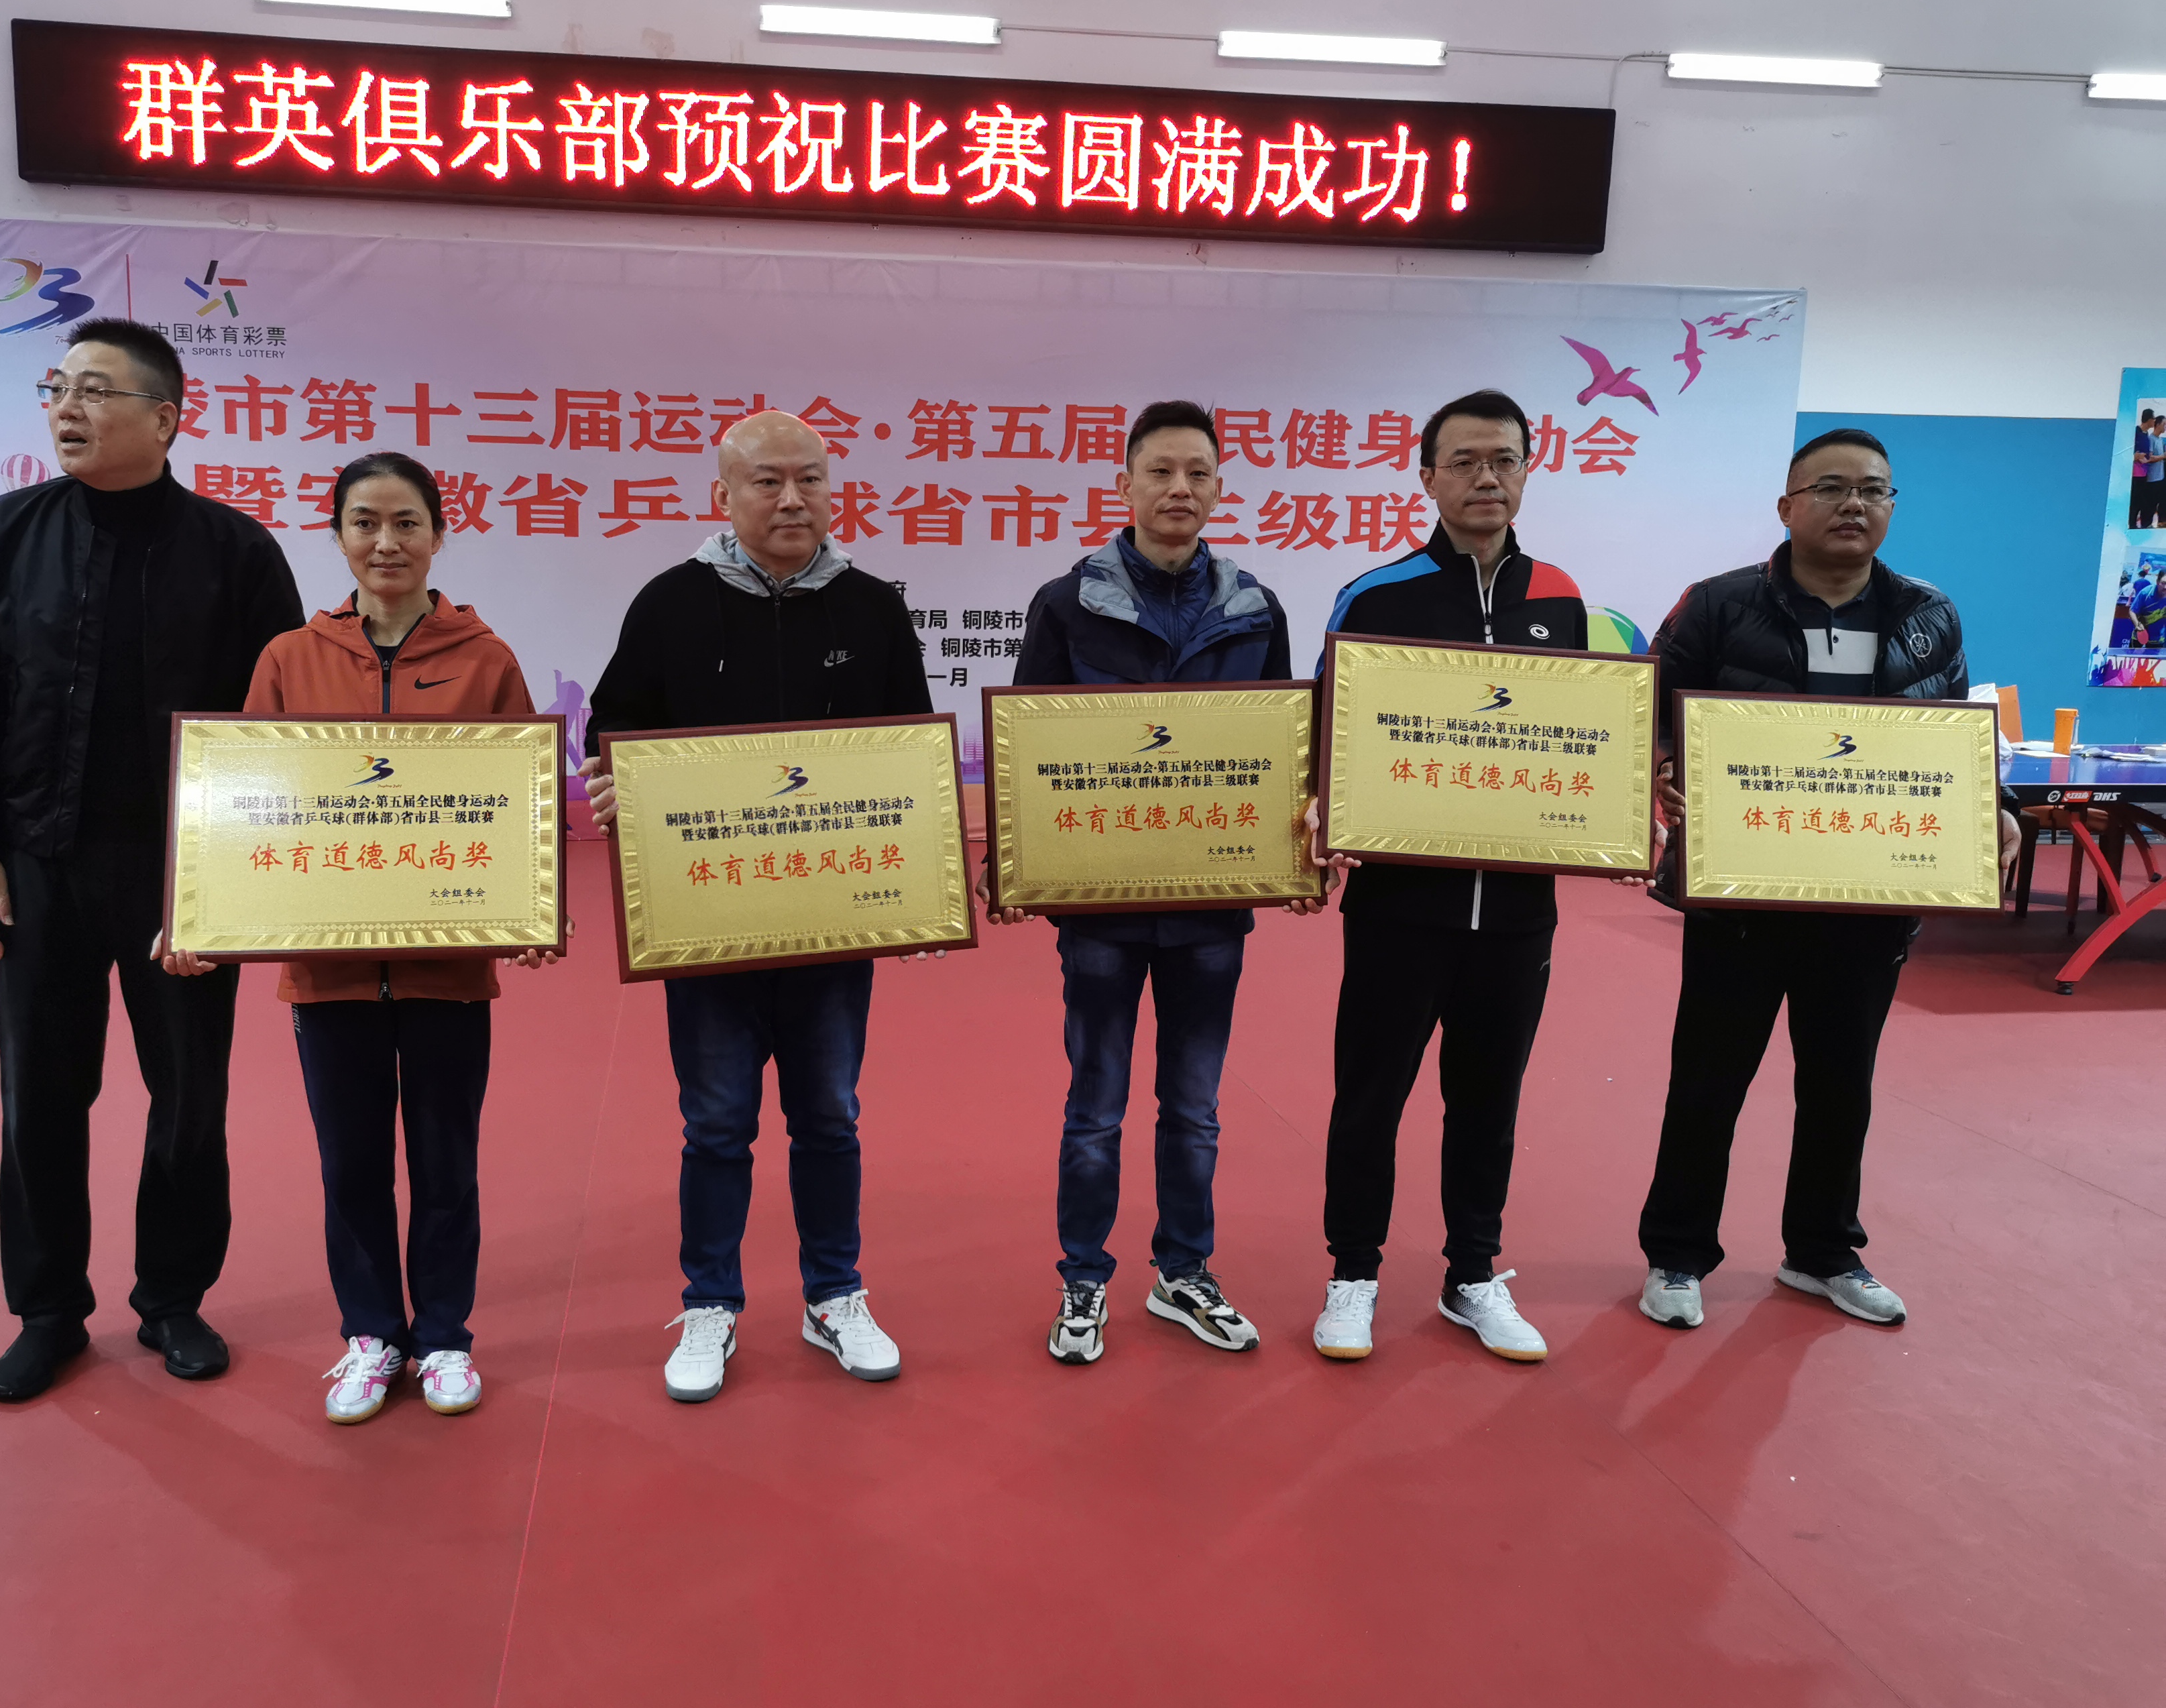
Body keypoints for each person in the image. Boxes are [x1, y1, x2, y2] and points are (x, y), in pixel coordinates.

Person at [0, 319, 302, 1402]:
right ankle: (48, 1312)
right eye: (58, 387)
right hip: (38, 866)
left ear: (166, 418)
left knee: (188, 1094)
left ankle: (173, 1298)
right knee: (41, 1094)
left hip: (184, 876)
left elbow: (275, 727)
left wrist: (239, 878)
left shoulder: (236, 553)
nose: (66, 408)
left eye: (94, 390)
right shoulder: (9, 533)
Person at [162, 451, 565, 1424]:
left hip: (449, 972)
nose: (386, 543)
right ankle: (373, 1336)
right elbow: (246, 803)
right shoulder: (288, 659)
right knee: (350, 1166)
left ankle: (446, 1337)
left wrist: (538, 909)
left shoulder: (487, 659)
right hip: (327, 972)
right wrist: (200, 912)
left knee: (446, 1164)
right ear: (338, 534)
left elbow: (523, 807)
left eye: (406, 523)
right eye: (365, 523)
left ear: (439, 534)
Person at [579, 411, 934, 1404]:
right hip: (710, 920)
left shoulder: (871, 607)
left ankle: (835, 1294)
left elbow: (910, 746)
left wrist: (922, 882)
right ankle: (711, 1303)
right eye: (766, 481)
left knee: (829, 1117)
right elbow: (616, 724)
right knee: (716, 1124)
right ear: (723, 496)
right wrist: (616, 779)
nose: (791, 500)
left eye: (809, 479)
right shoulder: (670, 602)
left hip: (833, 920)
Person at [1634, 427, 2020, 1330]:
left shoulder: (1929, 614)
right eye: (1832, 487)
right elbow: (1645, 709)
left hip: (1869, 891)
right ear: (1787, 507)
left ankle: (1821, 1251)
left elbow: (1950, 739)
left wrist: (1992, 806)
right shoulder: (1719, 605)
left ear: (1891, 507)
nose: (1855, 504)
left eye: (1874, 490)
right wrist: (1659, 768)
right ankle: (1677, 1254)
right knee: (1709, 1080)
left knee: (1843, 1081)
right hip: (1741, 889)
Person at [992, 400, 1321, 1365]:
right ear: (1126, 486)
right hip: (1101, 909)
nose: (1180, 489)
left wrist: (1301, 842)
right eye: (1162, 473)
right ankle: (1084, 1278)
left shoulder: (1256, 609)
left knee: (1196, 1109)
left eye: (1198, 474)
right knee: (1095, 1109)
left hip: (1212, 909)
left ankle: (1184, 1271)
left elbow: (1282, 754)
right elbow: (1028, 750)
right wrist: (1015, 863)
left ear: (1220, 488)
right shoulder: (1067, 604)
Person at [1308, 390, 1589, 1365]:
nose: (1485, 478)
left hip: (1518, 910)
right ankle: (1353, 1275)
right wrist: (1323, 809)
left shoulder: (1562, 597)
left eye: (1504, 459)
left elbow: (1584, 739)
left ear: (1528, 470)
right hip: (1400, 906)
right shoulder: (1376, 598)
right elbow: (1327, 738)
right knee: (1371, 1095)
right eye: (1464, 461)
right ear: (1427, 476)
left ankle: (1473, 1273)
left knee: (1488, 1100)